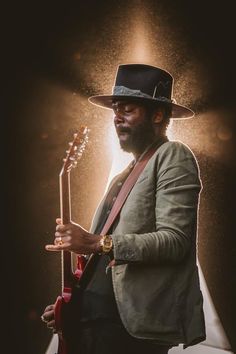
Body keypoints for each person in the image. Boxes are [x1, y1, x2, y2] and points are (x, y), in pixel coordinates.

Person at [41, 64, 206, 354]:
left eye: (128, 110)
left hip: (128, 330)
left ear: (157, 115)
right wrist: (71, 305)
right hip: (91, 323)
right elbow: (100, 262)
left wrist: (96, 242)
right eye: (115, 110)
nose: (117, 118)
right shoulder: (123, 176)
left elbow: (175, 241)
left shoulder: (173, 155)